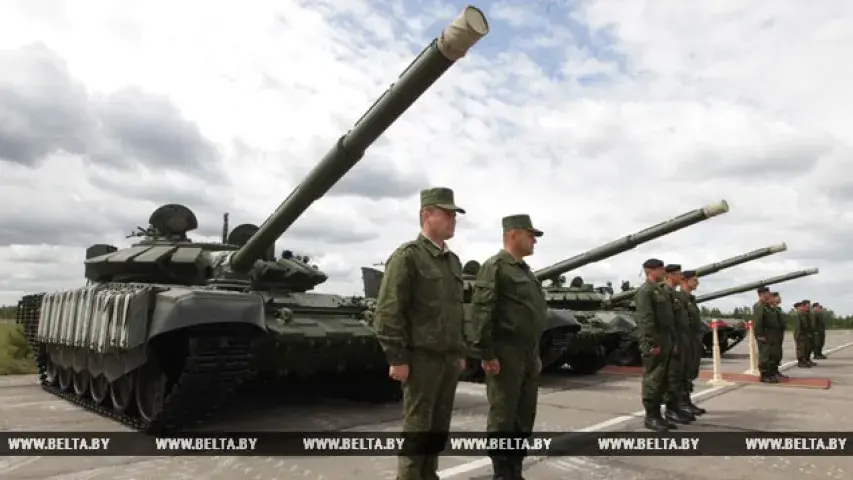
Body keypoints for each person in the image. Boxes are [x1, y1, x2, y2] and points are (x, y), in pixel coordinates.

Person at [374, 187, 468, 480]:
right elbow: (388, 310)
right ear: (426, 214)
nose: (453, 220)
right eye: (447, 214)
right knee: (417, 429)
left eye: (455, 215)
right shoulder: (408, 257)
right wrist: (397, 357)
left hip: (448, 359)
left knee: (438, 428)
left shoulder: (453, 262)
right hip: (421, 360)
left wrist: (460, 351)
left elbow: (456, 312)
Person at [470, 214, 548, 480]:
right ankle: (501, 472)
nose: (534, 240)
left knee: (525, 414)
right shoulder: (495, 267)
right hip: (506, 353)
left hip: (528, 353)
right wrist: (487, 353)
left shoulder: (525, 271)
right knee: (503, 415)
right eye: (530, 234)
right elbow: (482, 311)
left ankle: (515, 468)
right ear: (512, 234)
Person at [634, 258, 679, 432]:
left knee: (663, 380)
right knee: (653, 379)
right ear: (651, 271)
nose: (664, 273)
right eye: (661, 269)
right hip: (655, 342)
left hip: (665, 341)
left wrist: (672, 341)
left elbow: (669, 320)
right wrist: (651, 343)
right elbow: (646, 320)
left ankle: (659, 416)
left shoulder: (659, 291)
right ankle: (651, 416)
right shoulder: (645, 292)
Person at [661, 264, 695, 424]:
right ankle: (670, 410)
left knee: (680, 375)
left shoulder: (675, 295)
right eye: (678, 273)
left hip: (682, 338)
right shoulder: (665, 293)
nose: (681, 275)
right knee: (673, 377)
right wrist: (672, 342)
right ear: (670, 275)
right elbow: (667, 321)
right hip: (674, 340)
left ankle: (677, 407)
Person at [678, 270, 706, 415]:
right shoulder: (680, 299)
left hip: (693, 340)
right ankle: (682, 403)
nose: (697, 282)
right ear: (685, 281)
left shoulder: (690, 299)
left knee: (690, 371)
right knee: (683, 372)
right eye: (694, 280)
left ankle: (686, 400)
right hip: (685, 340)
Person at [752, 286, 784, 383]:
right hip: (765, 334)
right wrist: (759, 335)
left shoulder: (767, 306)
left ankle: (771, 374)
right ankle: (764, 375)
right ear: (761, 294)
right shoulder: (759, 306)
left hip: (772, 335)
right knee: (765, 355)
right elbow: (757, 321)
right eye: (767, 293)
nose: (769, 294)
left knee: (772, 355)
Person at [793, 301, 813, 368]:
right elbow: (798, 326)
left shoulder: (803, 314)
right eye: (801, 306)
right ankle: (800, 362)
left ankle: (804, 361)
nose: (802, 307)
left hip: (804, 334)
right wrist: (798, 335)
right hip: (800, 334)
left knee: (804, 349)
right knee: (800, 349)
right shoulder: (798, 314)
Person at [800, 299, 818, 366]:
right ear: (803, 306)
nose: (808, 308)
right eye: (807, 306)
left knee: (809, 348)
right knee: (803, 349)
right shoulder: (801, 314)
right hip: (804, 334)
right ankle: (802, 361)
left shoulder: (809, 314)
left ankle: (807, 360)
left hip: (809, 333)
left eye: (809, 306)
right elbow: (800, 326)